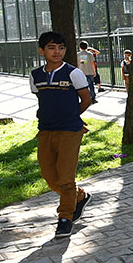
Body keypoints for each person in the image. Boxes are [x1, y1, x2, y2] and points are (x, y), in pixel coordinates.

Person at [30, 32, 93, 238]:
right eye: (51, 48)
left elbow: (86, 100)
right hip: (45, 130)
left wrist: (71, 117)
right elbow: (43, 99)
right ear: (42, 51)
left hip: (70, 131)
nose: (57, 52)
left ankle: (65, 218)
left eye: (61, 48)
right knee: (49, 176)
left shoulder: (73, 73)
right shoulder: (35, 75)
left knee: (65, 178)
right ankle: (80, 196)